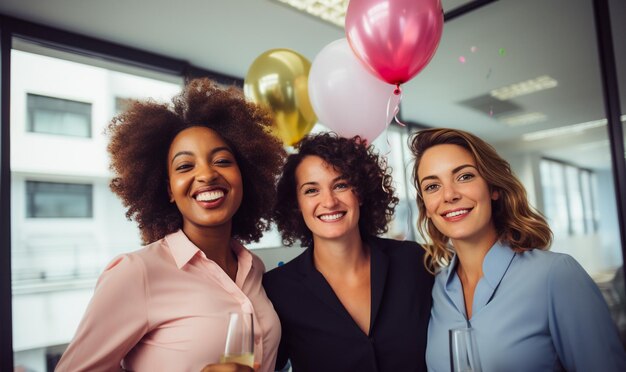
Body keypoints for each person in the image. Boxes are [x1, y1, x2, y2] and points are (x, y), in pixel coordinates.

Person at [55, 78, 286, 372]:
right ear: (168, 190)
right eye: (185, 166)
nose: (206, 175)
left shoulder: (254, 267)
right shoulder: (136, 273)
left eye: (222, 161)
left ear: (245, 176)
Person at [410, 127, 626, 371]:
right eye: (432, 186)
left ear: (493, 188)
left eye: (464, 176)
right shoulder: (436, 290)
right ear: (426, 207)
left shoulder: (556, 275)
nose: (448, 195)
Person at [263, 132, 433, 372]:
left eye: (341, 185)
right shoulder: (277, 289)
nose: (329, 202)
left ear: (360, 193)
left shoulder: (413, 261)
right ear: (297, 205)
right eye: (312, 190)